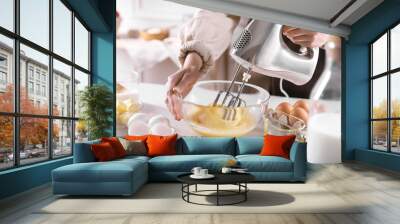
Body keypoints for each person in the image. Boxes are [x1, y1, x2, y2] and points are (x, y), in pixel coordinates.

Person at [165, 10, 334, 121]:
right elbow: (218, 9)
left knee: (310, 124)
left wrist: (330, 29)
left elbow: (356, 14)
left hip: (325, 76)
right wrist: (195, 59)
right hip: (267, 85)